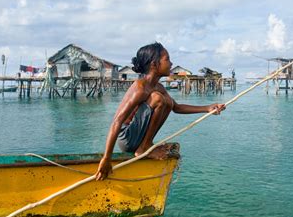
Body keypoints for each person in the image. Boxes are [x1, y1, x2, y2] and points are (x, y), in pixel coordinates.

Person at [95, 43, 225, 180]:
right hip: (126, 137)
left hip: (136, 137)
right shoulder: (140, 87)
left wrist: (207, 108)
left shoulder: (158, 87)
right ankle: (144, 148)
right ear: (154, 64)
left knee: (167, 101)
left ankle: (146, 145)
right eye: (167, 59)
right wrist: (106, 158)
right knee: (158, 99)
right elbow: (117, 121)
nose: (171, 63)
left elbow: (176, 107)